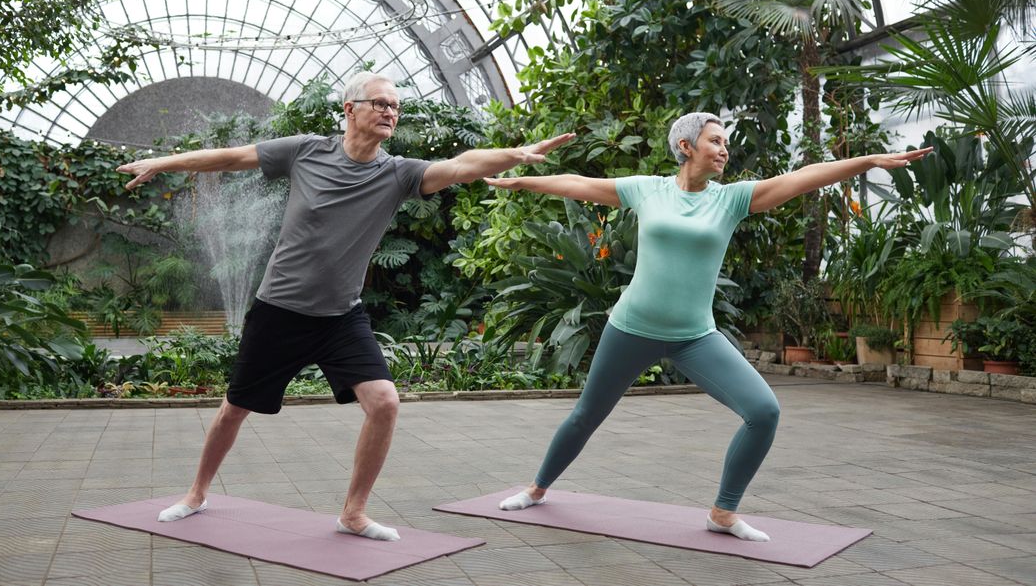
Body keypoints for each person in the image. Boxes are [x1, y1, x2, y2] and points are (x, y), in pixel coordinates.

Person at [117, 71, 574, 541]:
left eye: (395, 107)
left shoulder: (398, 173)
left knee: (385, 403)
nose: (389, 112)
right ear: (349, 108)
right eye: (379, 103)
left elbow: (460, 164)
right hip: (279, 310)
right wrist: (166, 162)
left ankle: (353, 513)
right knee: (234, 408)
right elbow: (233, 157)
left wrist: (517, 154)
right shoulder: (307, 150)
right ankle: (196, 494)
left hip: (341, 316)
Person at [487, 112, 930, 542]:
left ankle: (723, 512)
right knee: (586, 415)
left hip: (694, 337)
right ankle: (537, 488)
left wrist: (868, 161)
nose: (724, 150)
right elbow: (580, 185)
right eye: (715, 141)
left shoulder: (731, 198)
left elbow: (804, 176)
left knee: (764, 412)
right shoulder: (648, 190)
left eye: (725, 143)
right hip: (631, 328)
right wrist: (523, 179)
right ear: (686, 147)